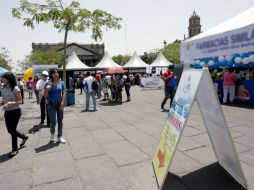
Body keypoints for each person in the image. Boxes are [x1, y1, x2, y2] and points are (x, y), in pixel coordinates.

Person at [0, 72, 28, 157]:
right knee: (10, 130)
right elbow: (4, 101)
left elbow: (20, 101)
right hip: (7, 112)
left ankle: (15, 149)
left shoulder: (15, 88)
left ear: (8, 79)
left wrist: (10, 103)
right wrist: (1, 103)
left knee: (12, 130)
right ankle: (23, 137)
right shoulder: (3, 89)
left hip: (15, 111)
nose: (1, 79)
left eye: (3, 78)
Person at [44, 68, 66, 143]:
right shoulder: (48, 84)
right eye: (53, 73)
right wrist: (47, 90)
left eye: (56, 73)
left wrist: (62, 103)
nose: (55, 74)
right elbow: (46, 96)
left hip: (59, 104)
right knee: (53, 121)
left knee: (60, 121)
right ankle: (52, 135)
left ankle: (60, 136)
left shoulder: (62, 83)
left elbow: (64, 93)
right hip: (51, 104)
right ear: (51, 75)